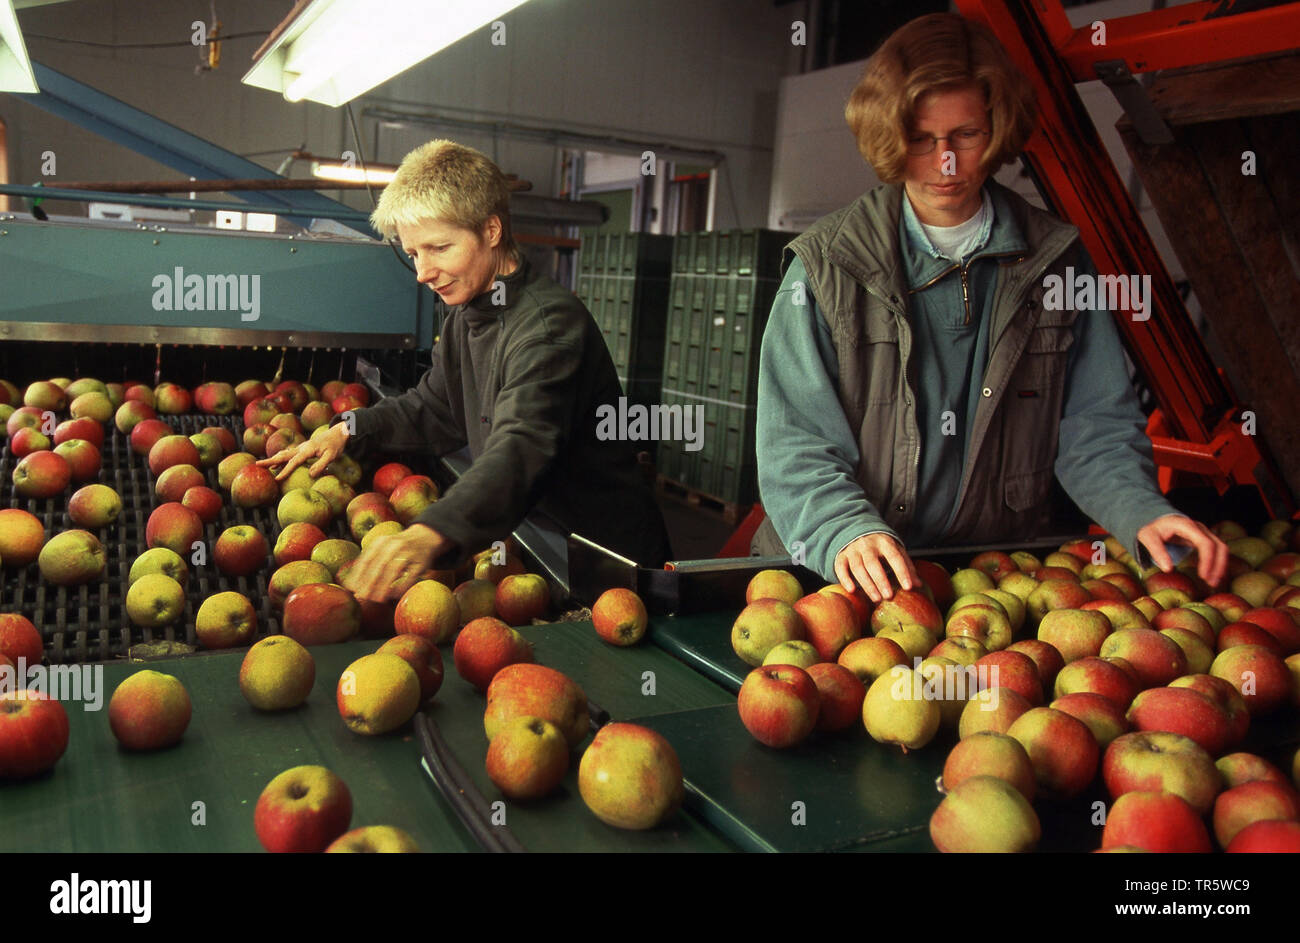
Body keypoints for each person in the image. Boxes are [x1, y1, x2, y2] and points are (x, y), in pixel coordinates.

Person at [752, 13, 1227, 603]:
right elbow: (794, 445)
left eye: (966, 135)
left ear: (997, 129)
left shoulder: (1058, 263)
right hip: (838, 583)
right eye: (922, 140)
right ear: (889, 137)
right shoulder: (827, 268)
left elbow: (1095, 428)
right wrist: (841, 529)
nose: (945, 162)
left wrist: (1141, 511)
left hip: (990, 588)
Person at [261, 140, 671, 602]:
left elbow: (519, 446)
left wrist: (431, 532)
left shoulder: (547, 327)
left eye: (439, 248)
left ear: (491, 230)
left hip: (606, 562)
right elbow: (434, 407)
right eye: (414, 253)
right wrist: (348, 430)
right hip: (542, 543)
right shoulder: (469, 310)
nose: (423, 272)